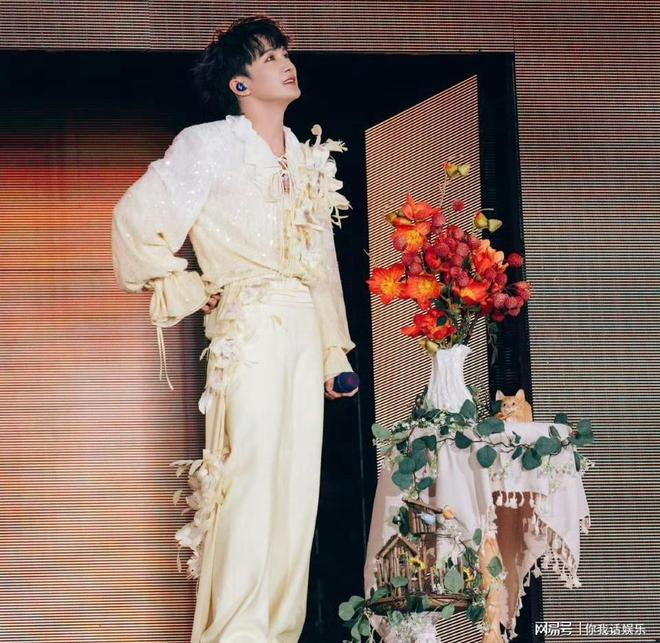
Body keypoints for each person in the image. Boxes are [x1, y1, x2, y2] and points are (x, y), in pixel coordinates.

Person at [111, 15, 358, 643]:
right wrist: (192, 285)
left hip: (302, 329)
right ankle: (235, 631)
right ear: (240, 84)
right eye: (269, 56)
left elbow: (321, 262)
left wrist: (333, 352)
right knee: (247, 475)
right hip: (247, 329)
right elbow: (136, 222)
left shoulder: (305, 156)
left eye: (285, 53)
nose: (285, 63)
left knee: (296, 484)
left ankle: (277, 629)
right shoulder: (208, 146)